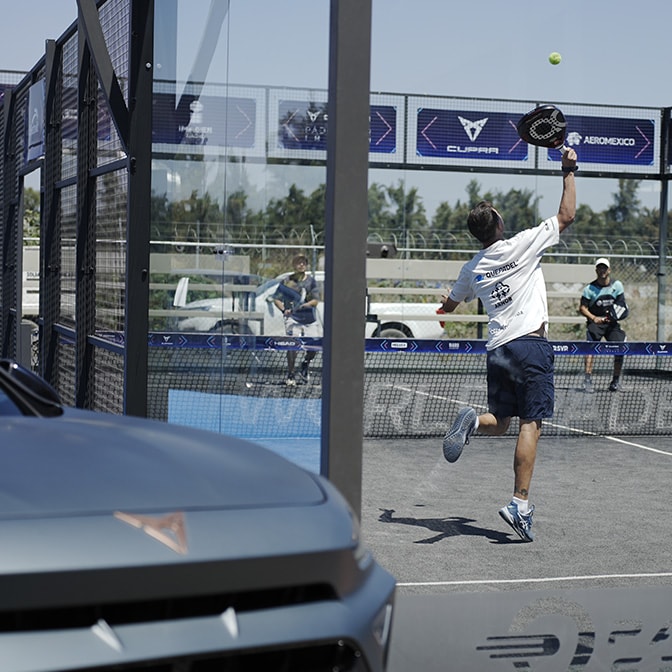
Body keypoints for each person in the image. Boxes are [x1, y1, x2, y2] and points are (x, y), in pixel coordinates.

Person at [438, 147, 578, 542]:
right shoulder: (523, 243)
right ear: (498, 224)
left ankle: (471, 422)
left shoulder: (472, 268)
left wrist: (445, 305)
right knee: (531, 423)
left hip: (498, 350)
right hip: (531, 346)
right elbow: (566, 215)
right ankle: (519, 504)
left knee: (500, 423)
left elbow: (449, 305)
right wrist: (569, 170)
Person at [579, 257, 628, 393]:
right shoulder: (589, 289)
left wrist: (611, 317)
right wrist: (594, 318)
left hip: (612, 325)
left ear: (609, 270)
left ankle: (615, 381)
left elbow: (622, 306)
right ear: (596, 270)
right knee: (590, 349)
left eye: (604, 268)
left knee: (620, 348)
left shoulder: (617, 286)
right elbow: (583, 308)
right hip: (595, 325)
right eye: (600, 268)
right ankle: (587, 381)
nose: (602, 270)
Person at [272, 254, 320, 386]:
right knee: (292, 345)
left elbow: (315, 300)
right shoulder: (287, 281)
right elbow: (276, 298)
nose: (301, 265)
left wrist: (305, 305)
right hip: (292, 319)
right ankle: (291, 374)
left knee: (314, 347)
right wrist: (284, 310)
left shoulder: (311, 281)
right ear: (294, 265)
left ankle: (305, 364)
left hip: (309, 319)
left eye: (304, 262)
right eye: (299, 262)